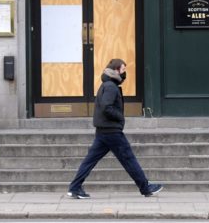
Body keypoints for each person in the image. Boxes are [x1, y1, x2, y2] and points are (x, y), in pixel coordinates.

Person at [67, 58, 163, 199]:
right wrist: (120, 117)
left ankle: (74, 188)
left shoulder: (107, 85)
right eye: (123, 70)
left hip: (103, 131)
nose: (125, 73)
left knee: (90, 160)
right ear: (116, 70)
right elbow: (107, 107)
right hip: (111, 131)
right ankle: (145, 187)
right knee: (129, 159)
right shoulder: (111, 86)